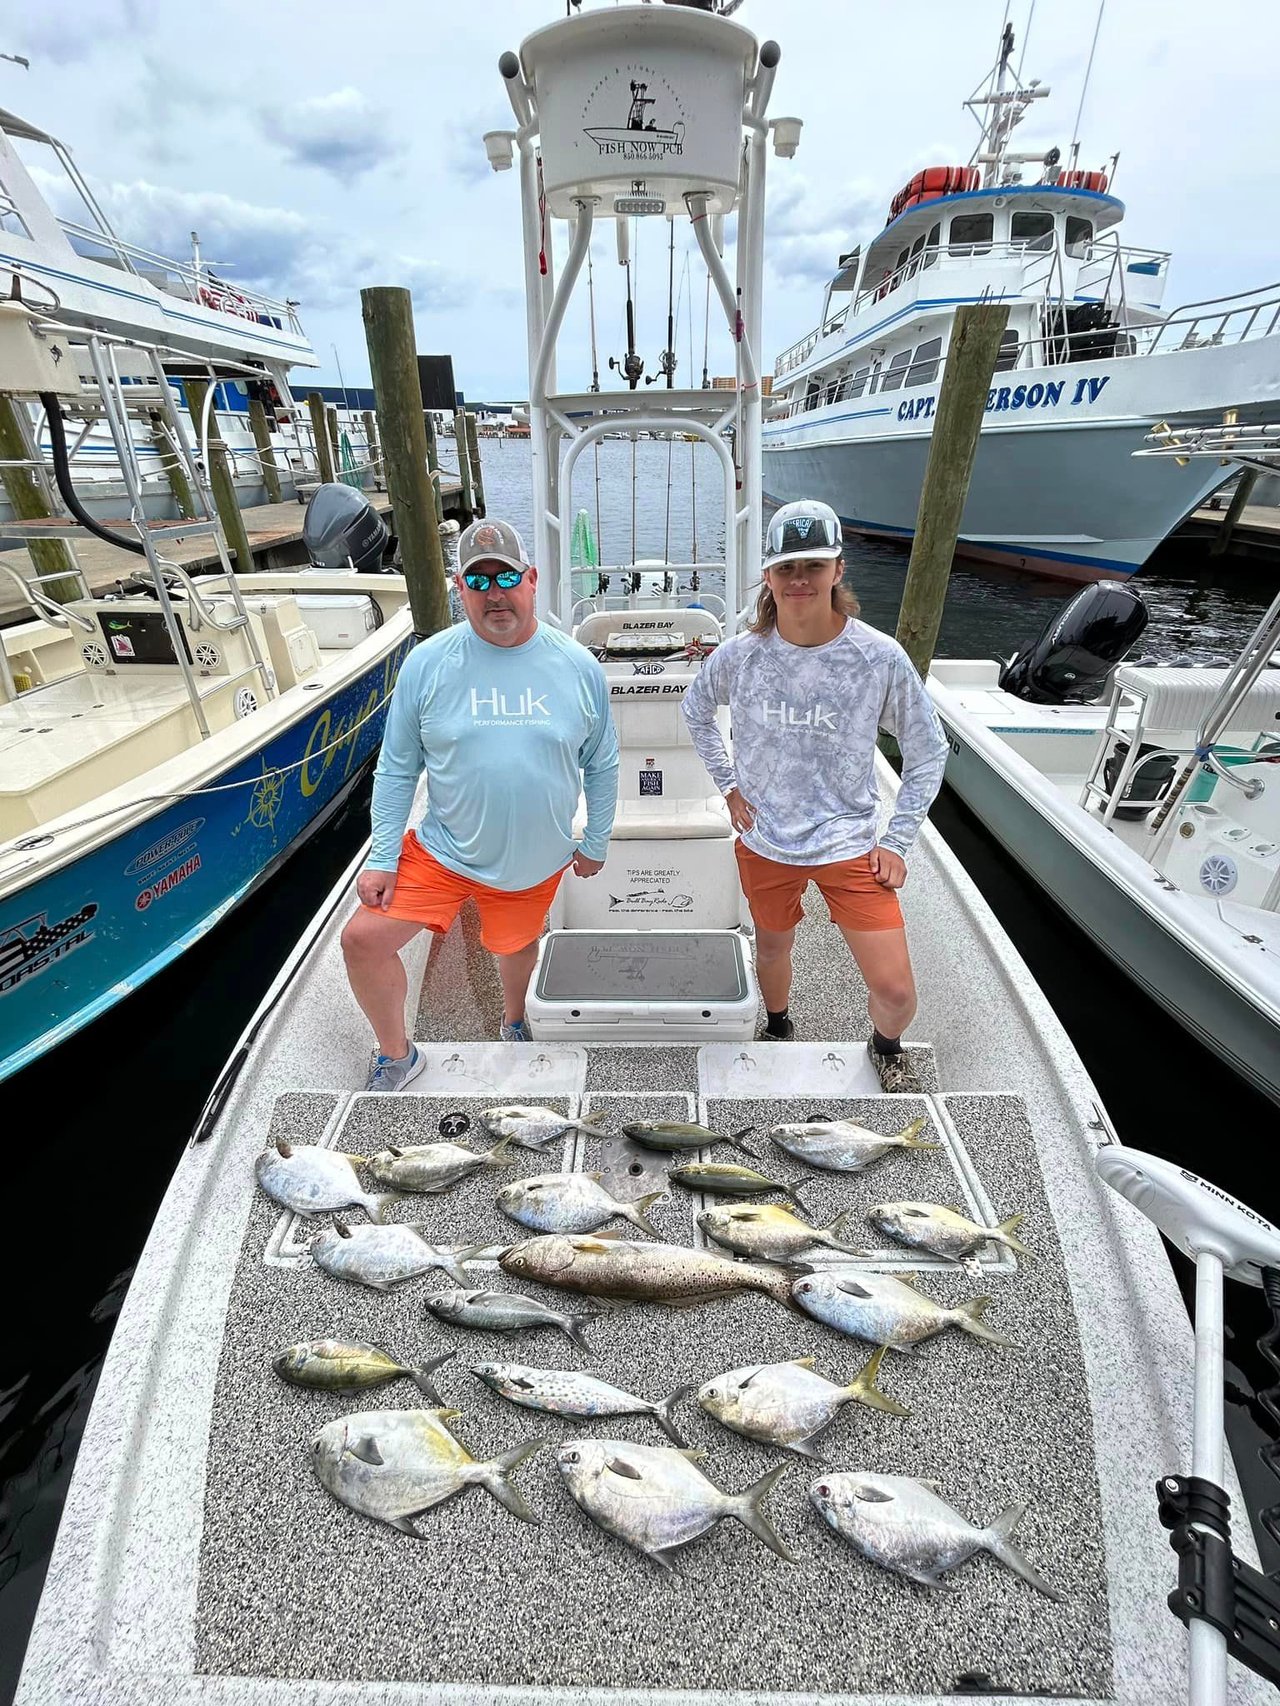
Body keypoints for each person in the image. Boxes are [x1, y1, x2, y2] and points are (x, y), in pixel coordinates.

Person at [341, 518, 619, 1091]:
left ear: (532, 579)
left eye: (507, 577)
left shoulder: (578, 666)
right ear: (460, 589)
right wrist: (383, 855)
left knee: (514, 945)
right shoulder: (426, 663)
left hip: (534, 858)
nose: (495, 593)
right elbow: (396, 767)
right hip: (444, 850)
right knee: (361, 940)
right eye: (478, 581)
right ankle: (397, 1055)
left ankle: (513, 1019)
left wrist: (595, 840)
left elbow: (603, 762)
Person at [680, 498, 948, 1093]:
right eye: (786, 568)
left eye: (813, 566)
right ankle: (777, 1025)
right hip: (765, 839)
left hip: (849, 840)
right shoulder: (739, 656)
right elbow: (695, 710)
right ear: (769, 577)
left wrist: (898, 841)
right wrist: (728, 787)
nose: (799, 580)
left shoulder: (878, 657)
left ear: (837, 570)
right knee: (771, 948)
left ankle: (886, 1044)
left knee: (897, 991)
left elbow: (930, 749)